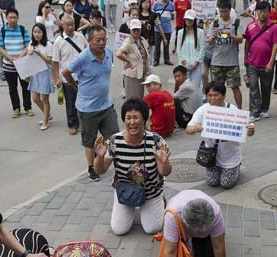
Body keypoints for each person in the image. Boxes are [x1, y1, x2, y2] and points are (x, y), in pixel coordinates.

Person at [93, 98, 171, 236]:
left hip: (150, 191)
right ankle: (129, 207)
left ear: (144, 119)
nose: (132, 122)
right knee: (119, 230)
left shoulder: (156, 140)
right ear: (123, 120)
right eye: (128, 118)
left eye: (136, 117)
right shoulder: (114, 141)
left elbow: (165, 172)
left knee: (152, 229)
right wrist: (99, 157)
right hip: (125, 191)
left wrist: (164, 162)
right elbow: (100, 170)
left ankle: (160, 201)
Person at [154, 188, 234, 257]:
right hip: (180, 224)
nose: (199, 232)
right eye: (196, 230)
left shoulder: (215, 213)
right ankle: (181, 237)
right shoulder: (172, 215)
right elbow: (169, 252)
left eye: (203, 230)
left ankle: (197, 239)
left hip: (199, 222)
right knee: (173, 252)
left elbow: (219, 248)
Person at [63, 25, 119, 182]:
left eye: (104, 39)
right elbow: (66, 72)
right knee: (89, 140)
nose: (102, 42)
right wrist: (75, 86)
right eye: (98, 40)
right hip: (88, 109)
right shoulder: (83, 58)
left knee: (114, 138)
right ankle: (91, 167)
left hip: (106, 105)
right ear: (89, 41)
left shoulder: (108, 52)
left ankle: (118, 166)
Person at [186, 81, 254, 190]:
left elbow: (248, 133)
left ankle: (236, 166)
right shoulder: (203, 110)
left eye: (216, 95)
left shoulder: (233, 111)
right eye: (210, 95)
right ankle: (219, 170)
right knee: (212, 182)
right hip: (211, 156)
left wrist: (251, 130)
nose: (212, 98)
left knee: (225, 184)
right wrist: (195, 128)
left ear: (223, 96)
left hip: (230, 156)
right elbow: (188, 130)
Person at [244, 0, 277, 122]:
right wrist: (245, 57)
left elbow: (276, 45)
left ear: (268, 12)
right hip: (252, 63)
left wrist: (271, 62)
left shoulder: (274, 27)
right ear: (256, 12)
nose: (262, 14)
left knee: (266, 87)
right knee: (253, 86)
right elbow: (247, 41)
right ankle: (255, 112)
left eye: (265, 11)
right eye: (260, 11)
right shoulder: (250, 25)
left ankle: (265, 108)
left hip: (266, 64)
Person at [52, 15, 88, 136]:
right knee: (70, 102)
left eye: (72, 24)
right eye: (67, 24)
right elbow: (55, 62)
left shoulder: (81, 37)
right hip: (67, 77)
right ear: (62, 25)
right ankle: (72, 124)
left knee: (85, 100)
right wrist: (56, 78)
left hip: (83, 75)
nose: (70, 27)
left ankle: (86, 122)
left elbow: (88, 52)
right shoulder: (58, 41)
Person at [0, 8, 33, 119]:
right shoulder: (2, 31)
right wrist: (10, 58)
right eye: (10, 17)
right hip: (8, 66)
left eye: (15, 17)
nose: (13, 19)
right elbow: (0, 48)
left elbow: (28, 46)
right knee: (12, 88)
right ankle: (16, 108)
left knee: (25, 86)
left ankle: (28, 107)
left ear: (18, 18)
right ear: (6, 18)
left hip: (23, 64)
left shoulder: (22, 30)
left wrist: (19, 57)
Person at [207, 0, 243, 108]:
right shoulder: (215, 23)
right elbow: (209, 43)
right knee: (216, 90)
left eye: (225, 11)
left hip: (232, 62)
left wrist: (231, 34)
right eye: (221, 11)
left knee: (235, 87)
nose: (223, 13)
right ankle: (217, 110)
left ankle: (239, 111)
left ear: (230, 10)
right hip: (217, 61)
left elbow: (241, 39)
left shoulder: (236, 23)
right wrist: (212, 38)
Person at [26, 23, 55, 130]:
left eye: (39, 32)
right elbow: (28, 59)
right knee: (35, 98)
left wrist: (40, 55)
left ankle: (46, 120)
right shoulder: (31, 43)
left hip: (45, 73)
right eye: (34, 32)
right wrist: (29, 54)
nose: (36, 34)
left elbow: (50, 61)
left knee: (44, 98)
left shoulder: (48, 45)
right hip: (35, 73)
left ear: (43, 33)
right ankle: (47, 115)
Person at [116, 18, 150, 100]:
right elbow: (118, 54)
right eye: (134, 29)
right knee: (132, 99)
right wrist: (128, 61)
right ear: (130, 30)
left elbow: (147, 50)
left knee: (139, 97)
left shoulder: (142, 40)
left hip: (141, 74)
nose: (136, 31)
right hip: (132, 75)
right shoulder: (128, 41)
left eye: (137, 29)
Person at [175, 9, 205, 92]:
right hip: (183, 65)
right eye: (187, 19)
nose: (188, 21)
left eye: (191, 19)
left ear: (194, 20)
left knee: (195, 87)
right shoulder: (181, 32)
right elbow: (179, 49)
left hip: (196, 65)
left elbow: (202, 49)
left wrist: (196, 63)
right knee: (184, 88)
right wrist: (184, 63)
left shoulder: (200, 33)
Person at [152, 0, 175, 66]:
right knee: (157, 45)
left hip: (167, 28)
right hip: (157, 28)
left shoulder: (171, 4)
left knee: (166, 45)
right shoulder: (156, 4)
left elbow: (173, 15)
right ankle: (156, 60)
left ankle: (167, 59)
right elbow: (153, 15)